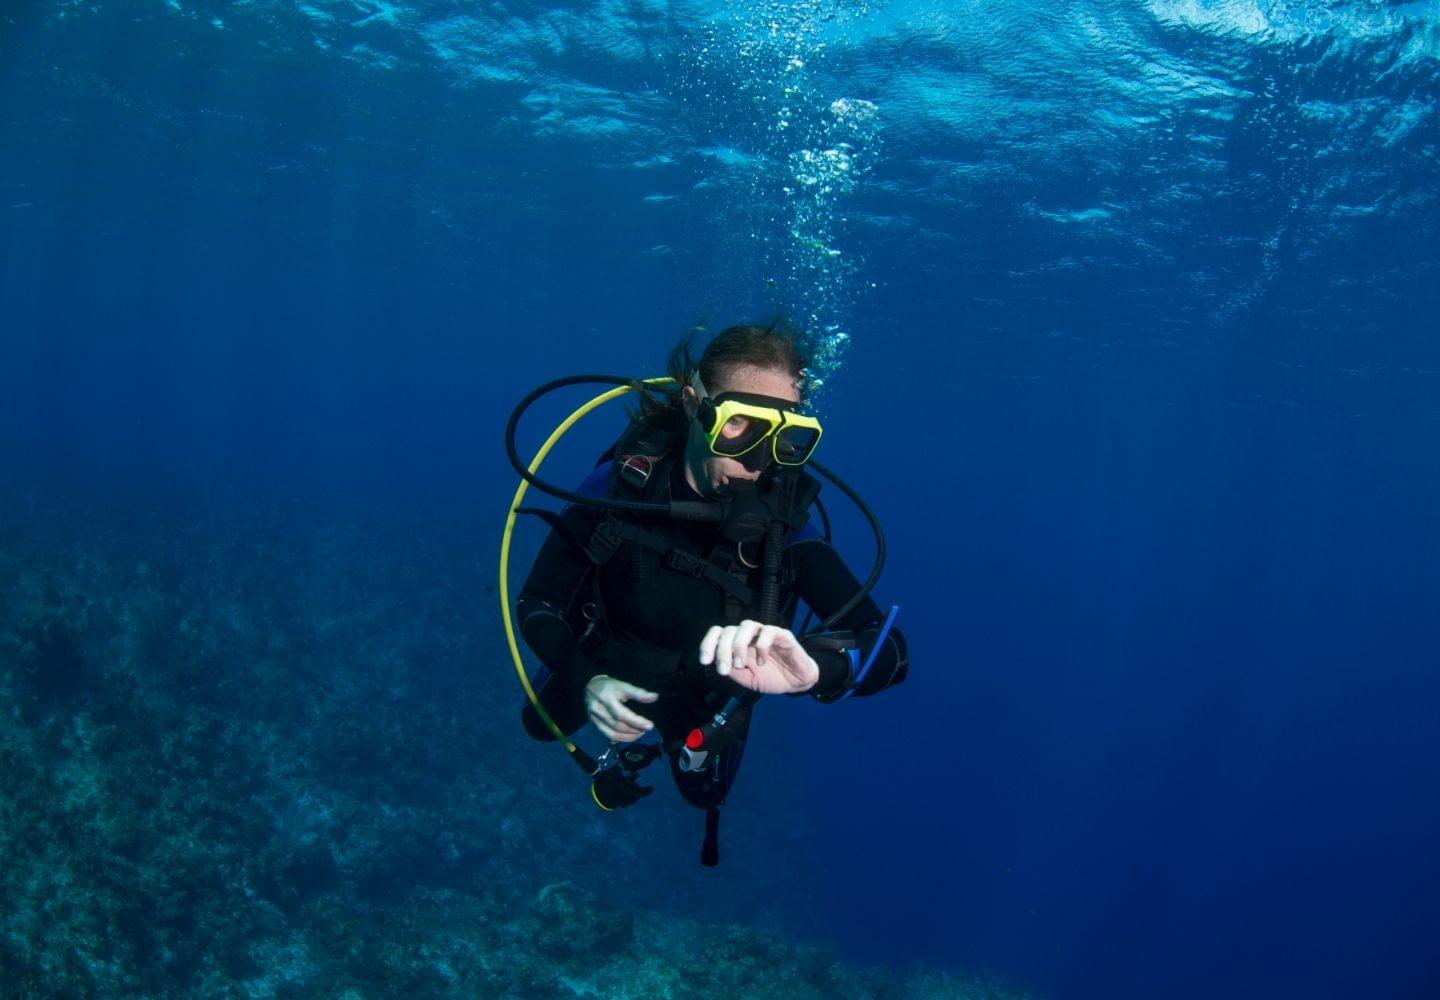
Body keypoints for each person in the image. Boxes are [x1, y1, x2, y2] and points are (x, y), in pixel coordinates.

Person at [514, 323, 908, 859]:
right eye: (739, 424)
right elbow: (538, 602)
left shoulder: (784, 529)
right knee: (539, 727)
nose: (757, 460)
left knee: (705, 796)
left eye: (785, 437)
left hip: (707, 694)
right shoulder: (627, 486)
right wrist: (587, 680)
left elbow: (890, 650)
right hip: (604, 654)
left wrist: (818, 670)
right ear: (694, 403)